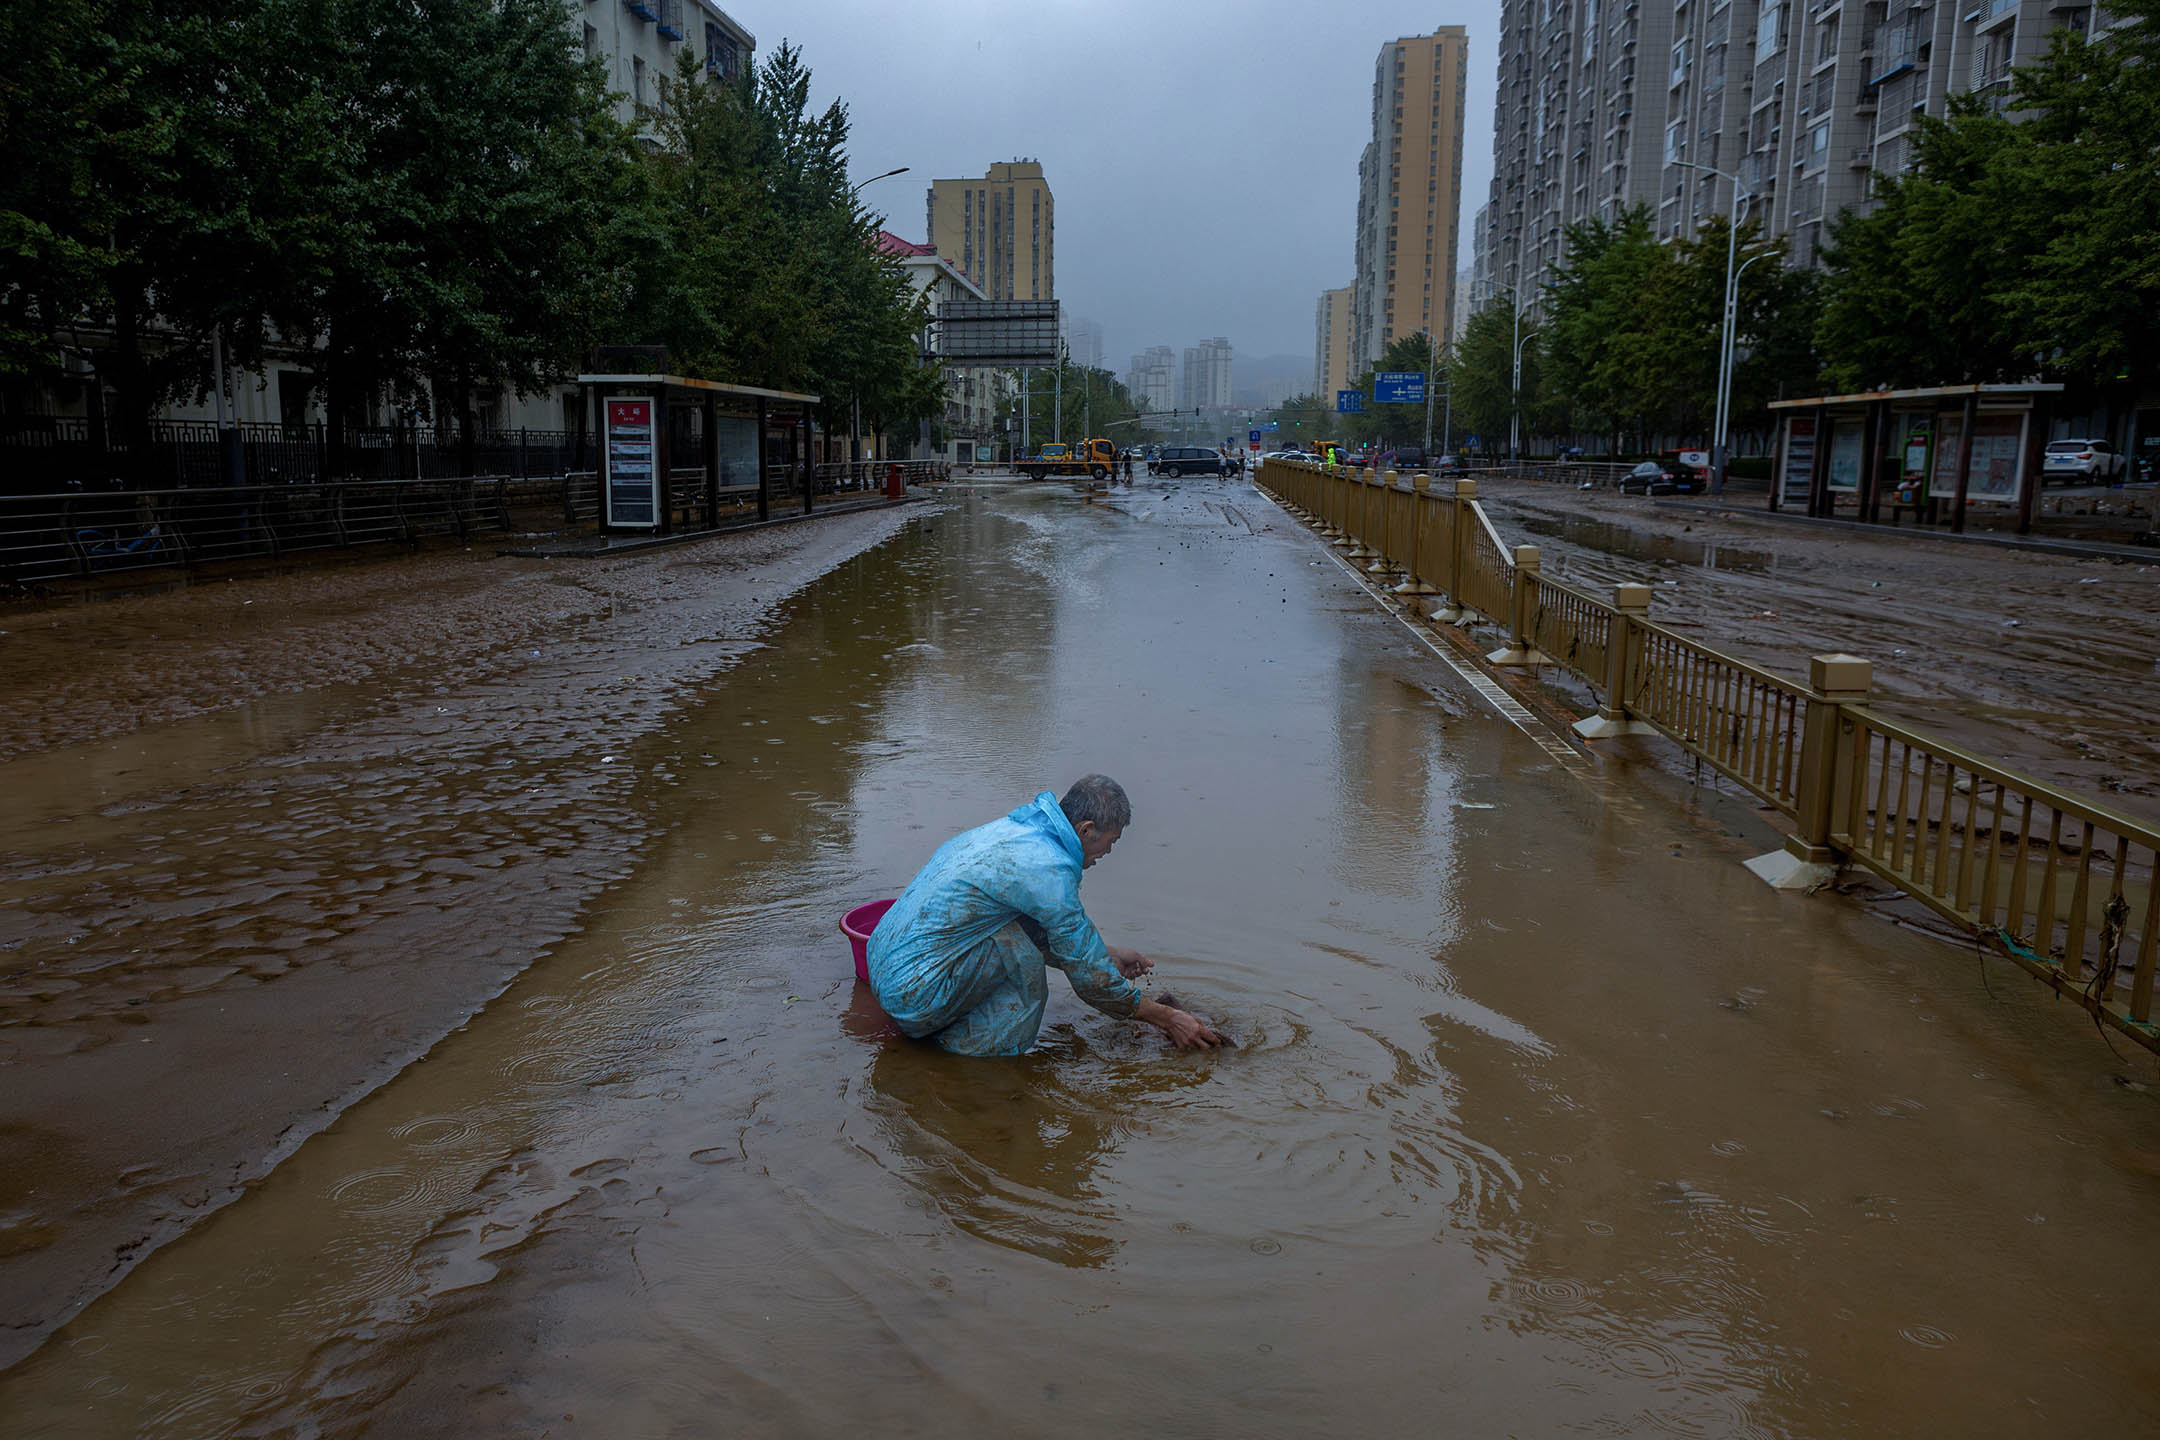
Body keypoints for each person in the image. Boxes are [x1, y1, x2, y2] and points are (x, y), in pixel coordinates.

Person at [868, 776, 1225, 1056]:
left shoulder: (1018, 831)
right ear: (1086, 830)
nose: (1108, 852)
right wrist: (1168, 1018)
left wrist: (1108, 954)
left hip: (883, 967)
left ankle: (946, 1025)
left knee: (1013, 935)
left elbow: (1039, 929)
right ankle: (978, 1060)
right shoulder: (1049, 870)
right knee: (1022, 962)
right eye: (1110, 841)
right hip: (913, 997)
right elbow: (1092, 983)